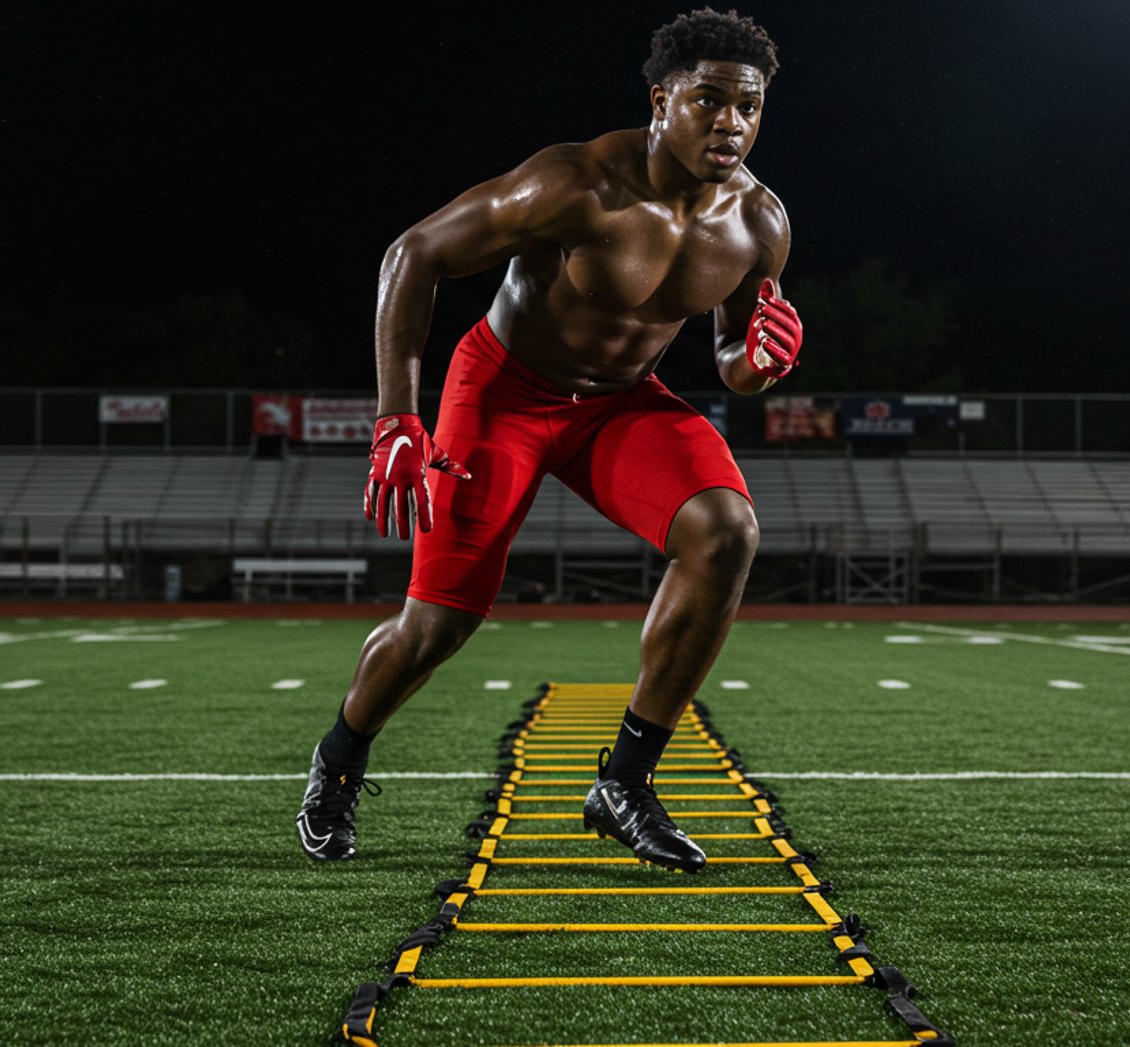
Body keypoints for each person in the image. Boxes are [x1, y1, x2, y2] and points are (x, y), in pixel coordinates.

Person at [297, 7, 803, 874]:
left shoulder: (760, 226)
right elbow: (411, 255)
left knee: (727, 531)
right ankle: (338, 761)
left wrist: (757, 366)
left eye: (747, 107)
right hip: (503, 391)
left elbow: (729, 356)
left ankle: (624, 782)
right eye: (709, 100)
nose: (730, 123)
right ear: (661, 100)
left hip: (621, 403)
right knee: (437, 626)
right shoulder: (576, 184)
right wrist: (396, 418)